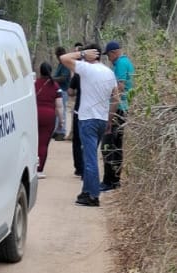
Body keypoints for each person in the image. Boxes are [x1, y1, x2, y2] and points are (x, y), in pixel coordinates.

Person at [60, 43, 118, 207]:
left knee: (90, 158)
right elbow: (116, 98)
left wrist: (82, 54)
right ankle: (86, 192)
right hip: (101, 120)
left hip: (88, 119)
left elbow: (63, 58)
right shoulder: (109, 73)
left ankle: (93, 196)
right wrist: (109, 119)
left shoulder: (86, 69)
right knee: (89, 155)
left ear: (92, 55)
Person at [101, 40, 135, 191]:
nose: (109, 59)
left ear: (113, 52)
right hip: (123, 108)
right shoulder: (126, 62)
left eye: (108, 55)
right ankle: (114, 180)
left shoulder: (121, 63)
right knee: (116, 146)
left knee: (109, 146)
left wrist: (110, 115)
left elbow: (120, 87)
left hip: (118, 109)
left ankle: (110, 181)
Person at [34, 61, 64, 178]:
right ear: (51, 71)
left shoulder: (34, 84)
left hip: (34, 115)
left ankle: (31, 167)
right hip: (48, 117)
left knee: (33, 142)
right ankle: (39, 169)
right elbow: (59, 106)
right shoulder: (56, 86)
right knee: (43, 144)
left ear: (40, 71)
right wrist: (61, 121)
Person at [68, 42, 83, 176]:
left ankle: (79, 168)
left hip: (79, 111)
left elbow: (70, 92)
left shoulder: (78, 74)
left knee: (77, 141)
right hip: (94, 113)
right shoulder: (100, 72)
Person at [51, 46, 71, 139]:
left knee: (61, 111)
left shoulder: (65, 64)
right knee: (57, 111)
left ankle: (62, 131)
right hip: (58, 90)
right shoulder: (60, 64)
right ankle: (56, 130)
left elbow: (63, 78)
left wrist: (52, 79)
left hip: (63, 90)